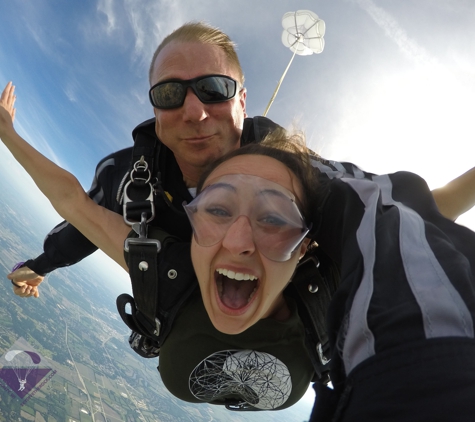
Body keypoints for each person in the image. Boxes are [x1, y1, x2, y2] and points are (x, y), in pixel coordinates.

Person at [3, 85, 475, 420]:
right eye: (218, 210)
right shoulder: (168, 268)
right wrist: (7, 133)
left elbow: (429, 208)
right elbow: (73, 203)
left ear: (307, 241)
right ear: (194, 221)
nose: (239, 240)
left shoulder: (342, 298)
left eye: (274, 217)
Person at [7, 22, 475, 299]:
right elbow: (83, 222)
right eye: (171, 94)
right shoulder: (129, 177)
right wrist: (38, 266)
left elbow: (398, 210)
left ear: (243, 101)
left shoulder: (295, 172)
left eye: (214, 89)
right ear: (155, 110)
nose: (194, 111)